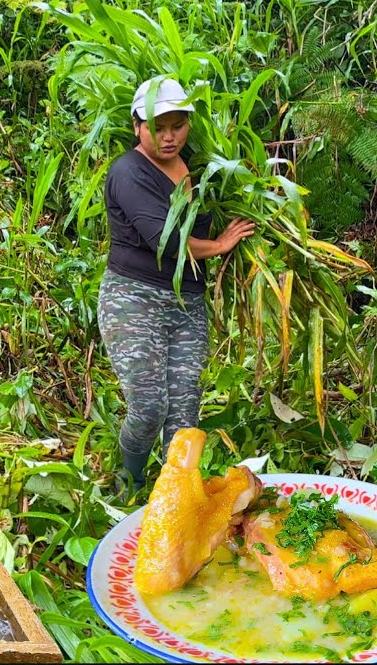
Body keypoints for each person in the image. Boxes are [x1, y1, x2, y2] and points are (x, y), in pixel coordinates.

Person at [99, 77, 256, 497]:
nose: (168, 137)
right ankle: (128, 484)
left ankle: (174, 499)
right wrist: (221, 246)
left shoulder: (200, 167)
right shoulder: (128, 172)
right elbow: (166, 242)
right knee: (149, 408)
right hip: (134, 300)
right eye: (157, 126)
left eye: (177, 125)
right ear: (137, 126)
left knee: (185, 411)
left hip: (186, 303)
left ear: (189, 125)